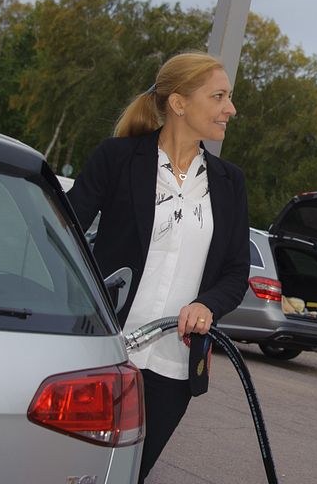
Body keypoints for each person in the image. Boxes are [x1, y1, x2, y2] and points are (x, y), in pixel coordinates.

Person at [67, 51, 250, 483]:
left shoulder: (229, 182)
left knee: (131, 475)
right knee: (72, 471)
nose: (231, 109)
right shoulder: (118, 158)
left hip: (173, 367)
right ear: (179, 103)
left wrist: (208, 305)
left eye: (230, 97)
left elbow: (235, 271)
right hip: (103, 355)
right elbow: (63, 233)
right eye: (220, 96)